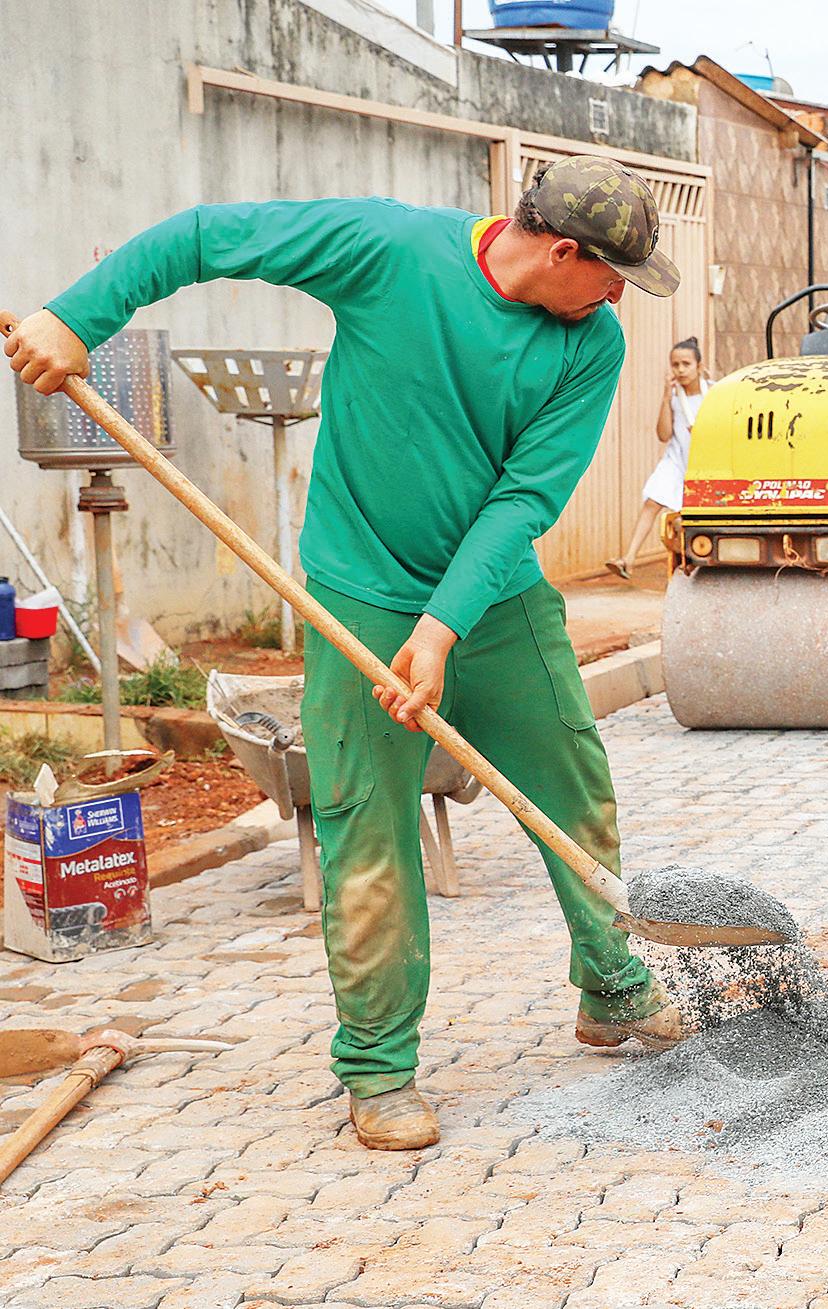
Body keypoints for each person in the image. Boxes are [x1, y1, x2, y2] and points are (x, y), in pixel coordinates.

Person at [5, 157, 689, 1153]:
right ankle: (378, 1065)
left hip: (495, 599)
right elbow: (204, 236)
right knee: (367, 829)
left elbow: (525, 497)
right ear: (559, 250)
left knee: (574, 788)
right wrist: (76, 318)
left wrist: (443, 626)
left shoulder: (593, 344)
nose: (620, 297)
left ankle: (612, 984)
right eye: (613, 275)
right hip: (359, 597)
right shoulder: (387, 248)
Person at [607, 338, 707, 580]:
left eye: (686, 364)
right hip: (676, 459)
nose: (680, 370)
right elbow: (663, 435)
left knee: (689, 518)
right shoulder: (673, 398)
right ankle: (629, 559)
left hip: (703, 464)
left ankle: (692, 567)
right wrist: (665, 398)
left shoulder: (714, 394)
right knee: (652, 501)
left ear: (699, 366)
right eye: (675, 364)